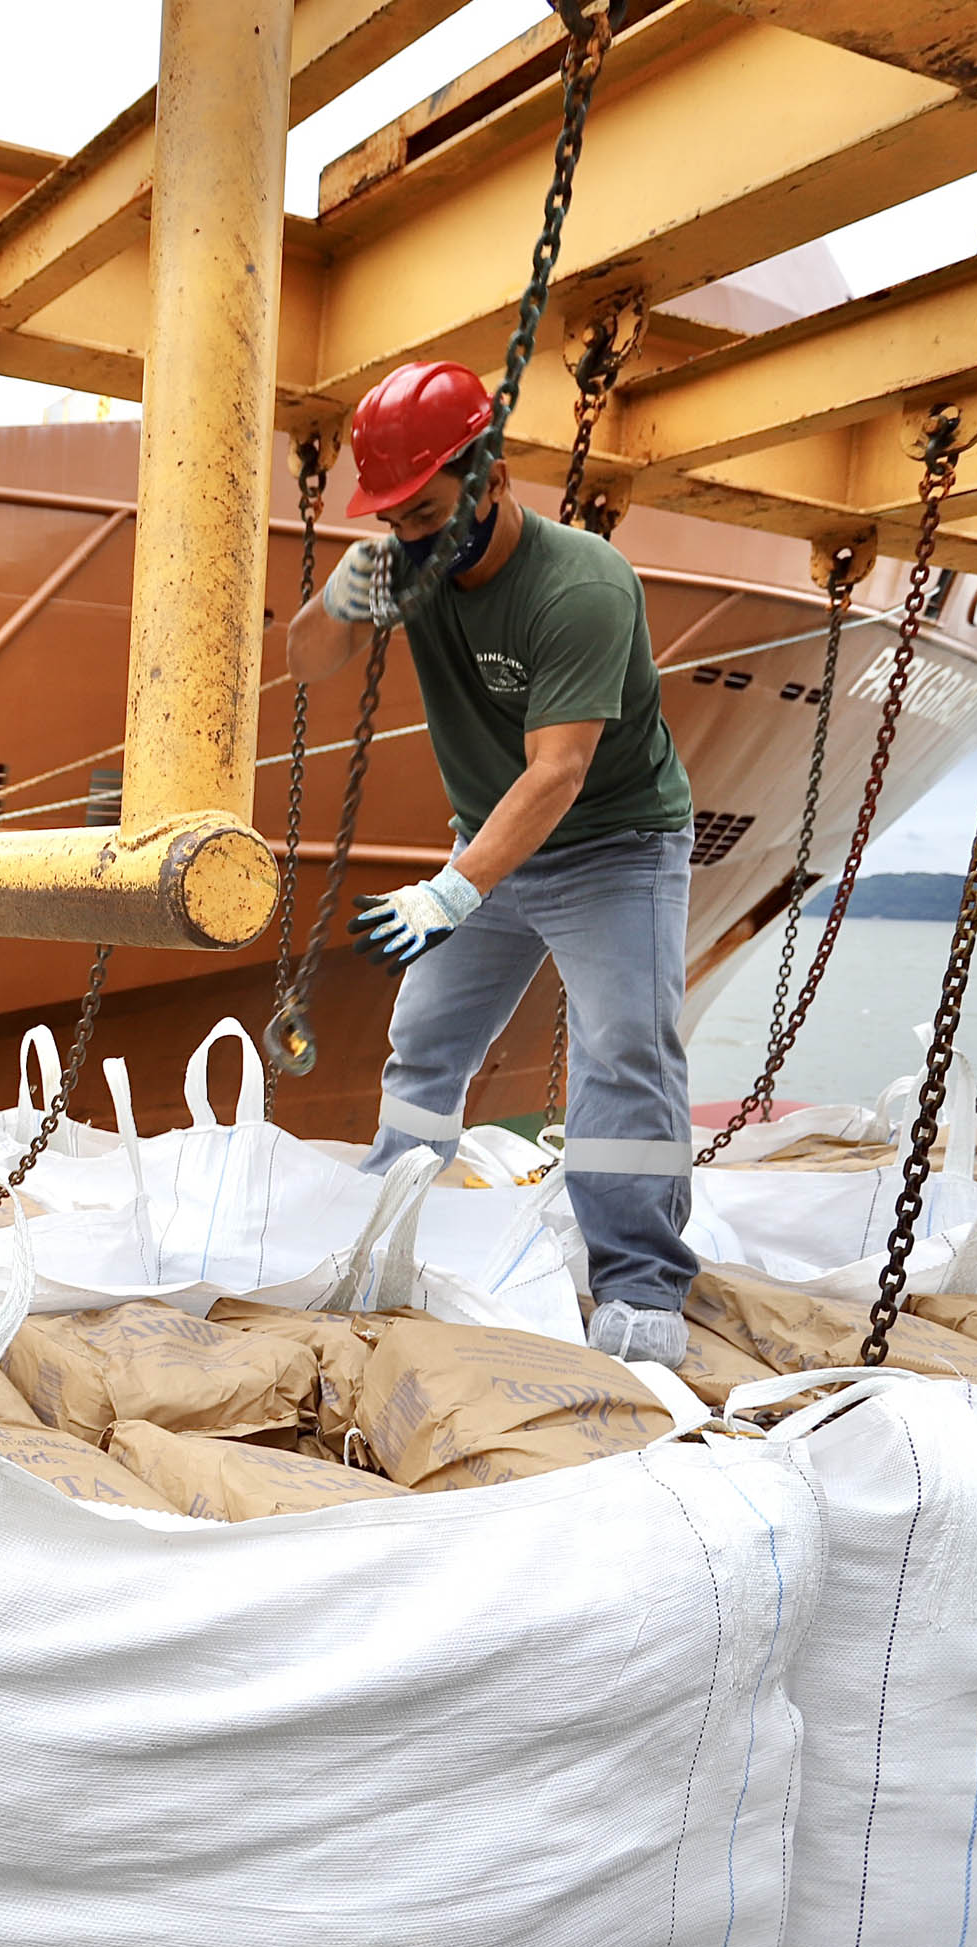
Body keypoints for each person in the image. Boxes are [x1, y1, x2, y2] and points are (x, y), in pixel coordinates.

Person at [285, 360, 697, 1366]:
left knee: (625, 1051)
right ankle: (394, 1221)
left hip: (613, 846)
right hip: (490, 843)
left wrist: (451, 889)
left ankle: (640, 1281)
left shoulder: (584, 586)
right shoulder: (407, 563)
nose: (415, 535)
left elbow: (557, 772)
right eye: (396, 518)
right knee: (426, 1036)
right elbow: (307, 661)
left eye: (429, 511)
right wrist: (337, 599)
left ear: (493, 477)